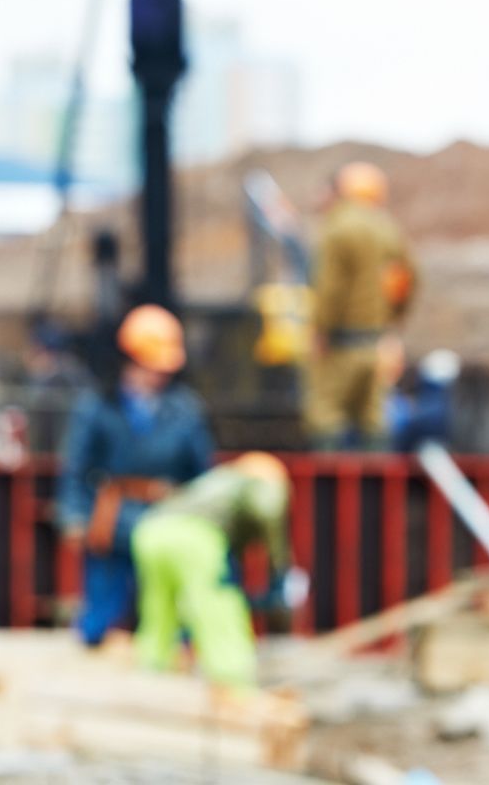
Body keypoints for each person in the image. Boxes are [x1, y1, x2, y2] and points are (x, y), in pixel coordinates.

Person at [57, 304, 215, 646]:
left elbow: (201, 474)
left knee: (170, 615)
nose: (157, 375)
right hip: (113, 520)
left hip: (167, 518)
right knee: (101, 619)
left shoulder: (185, 410)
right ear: (130, 358)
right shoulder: (97, 406)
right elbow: (76, 467)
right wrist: (73, 515)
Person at [131, 452, 299, 688]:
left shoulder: (216, 479)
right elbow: (267, 510)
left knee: (159, 606)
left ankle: (152, 672)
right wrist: (279, 568)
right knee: (216, 604)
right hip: (195, 537)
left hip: (151, 529)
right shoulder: (261, 484)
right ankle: (233, 680)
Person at [306, 161, 417, 449]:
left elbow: (331, 288)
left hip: (341, 343)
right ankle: (375, 492)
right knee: (375, 420)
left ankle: (328, 492)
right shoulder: (388, 228)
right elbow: (407, 278)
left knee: (325, 417)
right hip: (377, 344)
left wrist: (320, 330)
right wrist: (395, 317)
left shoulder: (337, 227)